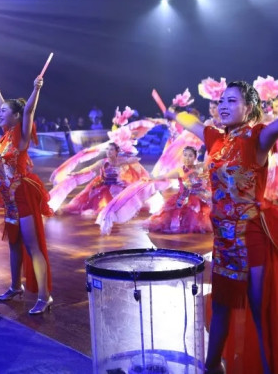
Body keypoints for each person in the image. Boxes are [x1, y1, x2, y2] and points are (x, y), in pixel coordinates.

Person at [166, 81, 278, 373]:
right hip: (223, 242)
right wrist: (173, 113)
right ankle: (213, 366)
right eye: (222, 101)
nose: (223, 106)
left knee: (259, 311)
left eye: (232, 101)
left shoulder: (258, 137)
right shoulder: (215, 137)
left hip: (250, 238)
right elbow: (192, 123)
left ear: (249, 108)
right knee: (221, 306)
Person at [0, 75, 53, 315]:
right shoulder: (6, 135)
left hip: (22, 194)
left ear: (16, 115)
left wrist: (36, 89)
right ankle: (16, 286)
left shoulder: (21, 135)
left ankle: (45, 296)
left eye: (4, 111)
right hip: (8, 198)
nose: (0, 113)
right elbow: (0, 106)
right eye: (0, 111)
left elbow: (29, 110)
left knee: (32, 246)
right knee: (14, 244)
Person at [59, 142, 149, 216]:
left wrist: (128, 156)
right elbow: (90, 168)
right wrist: (77, 173)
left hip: (117, 184)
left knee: (124, 196)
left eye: (111, 149)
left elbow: (134, 160)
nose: (108, 151)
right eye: (107, 149)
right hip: (105, 185)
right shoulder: (103, 162)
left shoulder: (121, 161)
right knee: (97, 200)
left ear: (116, 151)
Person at [147, 146, 212, 234]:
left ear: (195, 157)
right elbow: (165, 176)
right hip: (183, 198)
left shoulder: (200, 167)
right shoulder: (180, 170)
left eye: (190, 156)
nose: (187, 158)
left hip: (198, 197)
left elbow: (210, 169)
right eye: (185, 155)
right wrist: (152, 178)